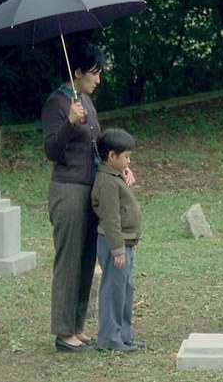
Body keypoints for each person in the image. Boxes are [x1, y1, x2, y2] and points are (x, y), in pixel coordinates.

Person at [41, 41, 135, 353]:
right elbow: (52, 151)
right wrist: (69, 122)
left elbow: (99, 146)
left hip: (92, 188)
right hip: (68, 190)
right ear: (77, 72)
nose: (98, 79)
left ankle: (77, 327)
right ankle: (63, 331)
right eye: (94, 73)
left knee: (86, 259)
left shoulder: (87, 103)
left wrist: (119, 166)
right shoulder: (56, 104)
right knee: (69, 259)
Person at [91, 128, 144, 353]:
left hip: (126, 243)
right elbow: (110, 219)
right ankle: (109, 338)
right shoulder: (107, 182)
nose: (129, 161)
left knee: (125, 289)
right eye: (126, 157)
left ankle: (124, 334)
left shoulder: (115, 176)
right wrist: (117, 249)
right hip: (115, 244)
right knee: (114, 290)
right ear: (112, 156)